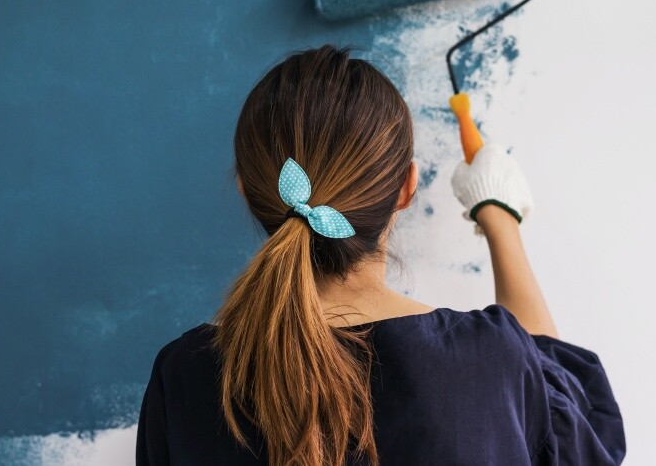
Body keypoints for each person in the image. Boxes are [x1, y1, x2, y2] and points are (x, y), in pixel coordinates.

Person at [135, 44, 625, 465]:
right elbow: (577, 435)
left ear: (246, 191)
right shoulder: (489, 360)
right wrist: (499, 216)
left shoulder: (184, 377)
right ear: (407, 188)